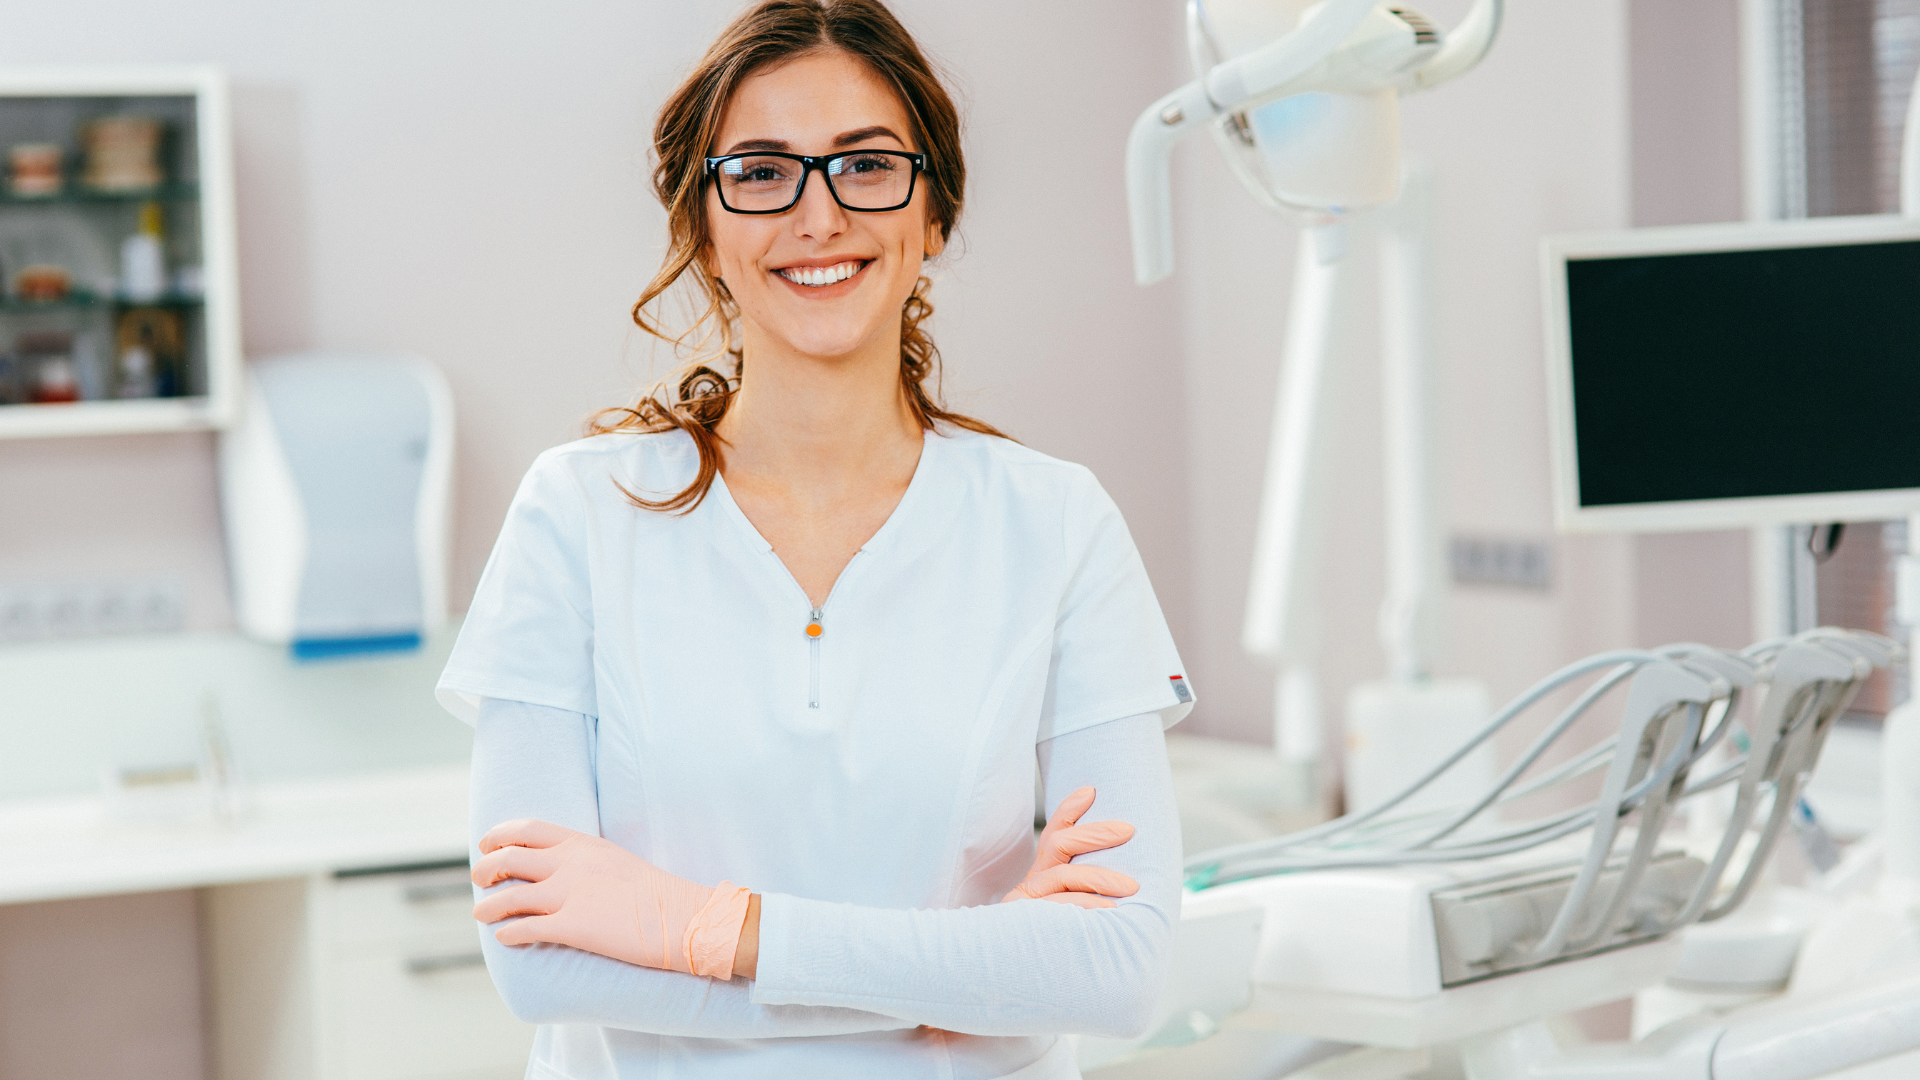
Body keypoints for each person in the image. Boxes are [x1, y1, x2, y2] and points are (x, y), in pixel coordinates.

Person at [437, 2, 1193, 1077]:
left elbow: (1117, 968)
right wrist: (985, 981)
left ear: (934, 210)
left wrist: (711, 929)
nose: (819, 214)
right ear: (702, 224)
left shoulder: (1057, 526)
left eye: (867, 165)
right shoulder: (577, 516)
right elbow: (540, 967)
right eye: (760, 171)